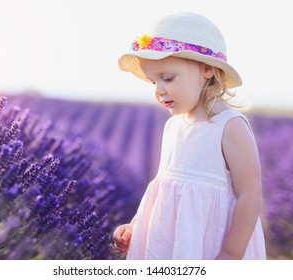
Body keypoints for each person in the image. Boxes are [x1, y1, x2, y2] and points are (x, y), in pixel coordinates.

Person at [113, 12, 266, 260]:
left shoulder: (229, 125)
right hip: (168, 243)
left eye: (168, 78)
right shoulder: (173, 126)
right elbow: (162, 189)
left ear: (207, 70)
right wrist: (137, 226)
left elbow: (250, 194)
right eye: (153, 82)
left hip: (212, 244)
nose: (159, 90)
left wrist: (232, 252)